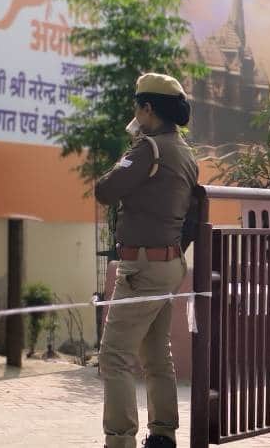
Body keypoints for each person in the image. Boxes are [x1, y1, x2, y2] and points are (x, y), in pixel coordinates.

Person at [95, 73, 200, 448]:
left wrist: (132, 148)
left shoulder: (148, 149)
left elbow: (105, 191)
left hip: (142, 268)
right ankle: (163, 434)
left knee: (114, 356)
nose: (135, 111)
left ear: (148, 108)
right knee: (157, 353)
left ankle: (120, 440)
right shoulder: (185, 153)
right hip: (169, 264)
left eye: (138, 104)